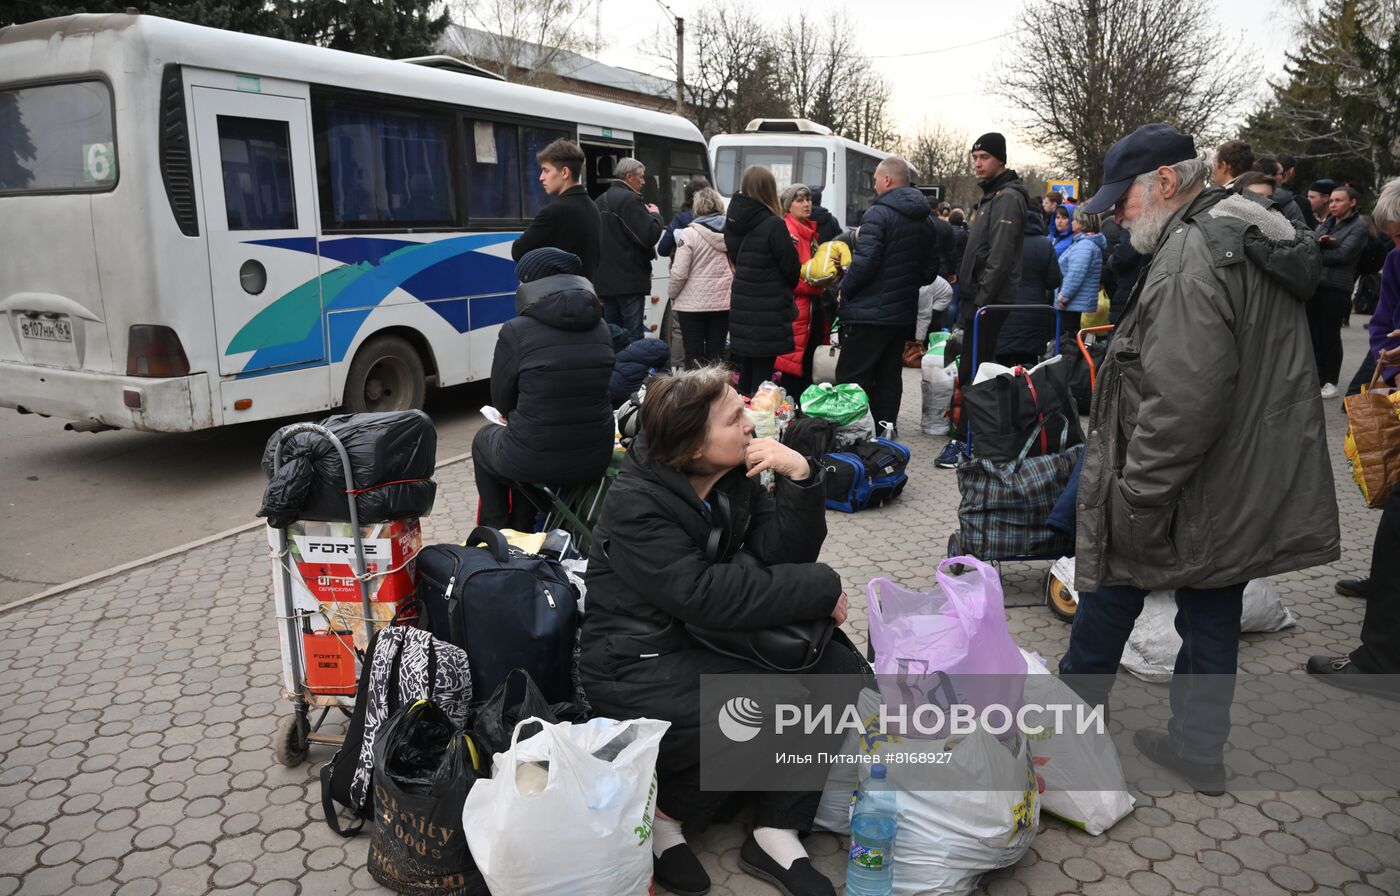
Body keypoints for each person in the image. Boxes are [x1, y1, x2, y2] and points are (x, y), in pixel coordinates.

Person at [1063, 123, 1338, 793]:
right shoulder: (1247, 228)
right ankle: (1198, 749)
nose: (1116, 215)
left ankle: (1065, 737)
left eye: (1122, 200)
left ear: (1164, 182)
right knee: (1213, 611)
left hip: (1182, 477)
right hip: (1236, 476)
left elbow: (1183, 399)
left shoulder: (1192, 251)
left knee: (1109, 588)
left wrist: (1138, 493)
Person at [578, 366, 867, 896]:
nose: (751, 423)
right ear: (692, 445)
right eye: (735, 418)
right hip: (637, 662)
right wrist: (820, 587)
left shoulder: (731, 476)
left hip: (707, 637)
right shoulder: (637, 503)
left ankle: (776, 828)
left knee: (839, 670)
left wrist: (802, 478)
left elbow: (781, 555)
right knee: (768, 705)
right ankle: (667, 815)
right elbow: (701, 594)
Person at [1312, 177, 1400, 691]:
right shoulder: (1395, 262)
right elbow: (1380, 325)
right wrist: (1387, 356)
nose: (1397, 245)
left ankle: (1381, 662)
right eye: (1393, 237)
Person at [471, 248, 615, 530]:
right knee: (525, 443)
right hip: (595, 456)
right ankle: (524, 522)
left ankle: (497, 529)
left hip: (534, 459)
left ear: (534, 283)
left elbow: (502, 401)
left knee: (483, 441)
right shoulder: (602, 327)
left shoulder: (515, 330)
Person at [943, 132, 1030, 466]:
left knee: (975, 373)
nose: (978, 164)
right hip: (976, 299)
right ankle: (974, 437)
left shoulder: (1008, 197)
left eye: (984, 158)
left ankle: (966, 441)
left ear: (1000, 160)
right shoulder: (991, 196)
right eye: (975, 158)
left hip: (987, 303)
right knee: (973, 368)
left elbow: (1000, 257)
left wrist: (982, 301)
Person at [833, 155, 938, 432]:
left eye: (876, 179)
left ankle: (852, 434)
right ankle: (885, 432)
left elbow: (865, 262)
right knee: (889, 377)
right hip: (901, 314)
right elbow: (929, 273)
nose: (875, 184)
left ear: (887, 180)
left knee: (852, 375)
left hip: (868, 313)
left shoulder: (877, 214)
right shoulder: (925, 220)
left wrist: (844, 289)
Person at [724, 166, 800, 395]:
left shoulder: (734, 221)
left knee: (746, 371)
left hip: (743, 307)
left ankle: (741, 411)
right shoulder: (774, 224)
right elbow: (792, 270)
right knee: (762, 377)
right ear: (769, 190)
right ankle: (757, 416)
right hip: (768, 311)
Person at [595, 158, 664, 344]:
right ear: (629, 177)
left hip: (606, 284)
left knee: (613, 336)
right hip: (629, 282)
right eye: (641, 177)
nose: (643, 182)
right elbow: (648, 235)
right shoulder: (630, 200)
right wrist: (656, 216)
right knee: (633, 338)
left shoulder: (599, 200)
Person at [511, 139, 600, 280]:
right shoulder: (593, 207)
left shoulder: (553, 212)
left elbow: (517, 251)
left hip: (559, 291)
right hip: (586, 289)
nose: (541, 177)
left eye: (546, 170)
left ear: (564, 172)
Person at [1311, 184, 1368, 398]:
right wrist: (1320, 244)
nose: (1333, 204)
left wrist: (1318, 250)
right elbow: (1312, 242)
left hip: (1337, 287)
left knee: (1330, 335)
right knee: (1315, 334)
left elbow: (1343, 255)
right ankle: (1318, 378)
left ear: (1352, 203)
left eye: (1339, 200)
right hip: (1316, 284)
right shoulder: (1328, 222)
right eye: (1332, 200)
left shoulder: (1358, 226)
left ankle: (1331, 381)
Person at [668, 187, 732, 367]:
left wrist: (672, 293)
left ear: (697, 207)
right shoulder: (728, 233)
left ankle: (696, 386)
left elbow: (679, 272)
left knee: (694, 355)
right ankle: (717, 385)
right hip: (722, 303)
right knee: (716, 355)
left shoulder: (689, 234)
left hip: (691, 306)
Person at [775, 183, 827, 397]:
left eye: (808, 199)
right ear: (788, 206)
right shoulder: (789, 232)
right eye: (799, 200)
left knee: (806, 362)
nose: (806, 204)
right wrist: (818, 282)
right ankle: (791, 408)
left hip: (811, 307)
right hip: (796, 306)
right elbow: (790, 276)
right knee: (792, 366)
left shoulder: (810, 231)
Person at [995, 207, 1061, 366]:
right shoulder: (1046, 244)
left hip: (1005, 309)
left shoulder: (1005, 243)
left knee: (1003, 364)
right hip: (1035, 311)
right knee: (1028, 365)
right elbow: (1053, 281)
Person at [1055, 208, 1106, 344]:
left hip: (1073, 304)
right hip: (1076, 302)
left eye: (1075, 219)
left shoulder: (1085, 246)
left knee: (1069, 343)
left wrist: (1063, 297)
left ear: (1083, 223)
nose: (1072, 222)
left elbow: (1075, 274)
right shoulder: (1084, 243)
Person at [658, 177, 711, 258]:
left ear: (687, 196)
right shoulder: (719, 219)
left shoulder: (681, 219)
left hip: (688, 265)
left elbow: (663, 249)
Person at [1252, 156, 1307, 227]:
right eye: (1282, 174)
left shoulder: (1243, 197)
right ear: (1270, 176)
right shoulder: (1292, 205)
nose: (1284, 178)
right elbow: (1303, 231)